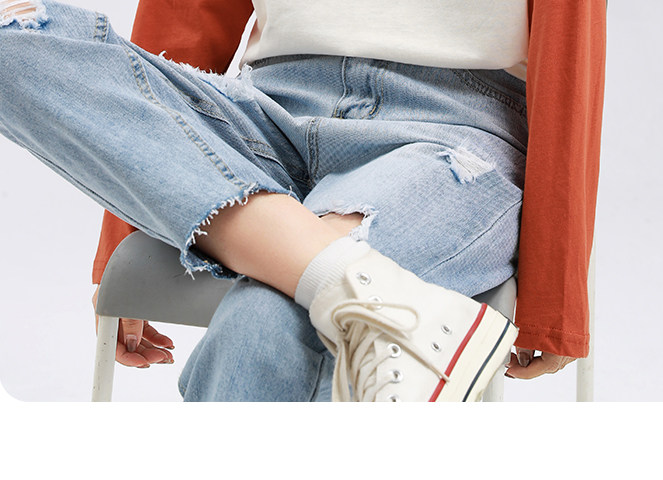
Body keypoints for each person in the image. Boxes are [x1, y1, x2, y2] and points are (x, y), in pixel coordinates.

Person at [0, 0, 606, 401]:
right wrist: (136, 221)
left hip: (450, 126)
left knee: (267, 324)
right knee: (14, 36)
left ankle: (329, 277)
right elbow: (186, 13)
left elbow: (570, 49)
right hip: (264, 108)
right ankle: (355, 283)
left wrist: (554, 300)